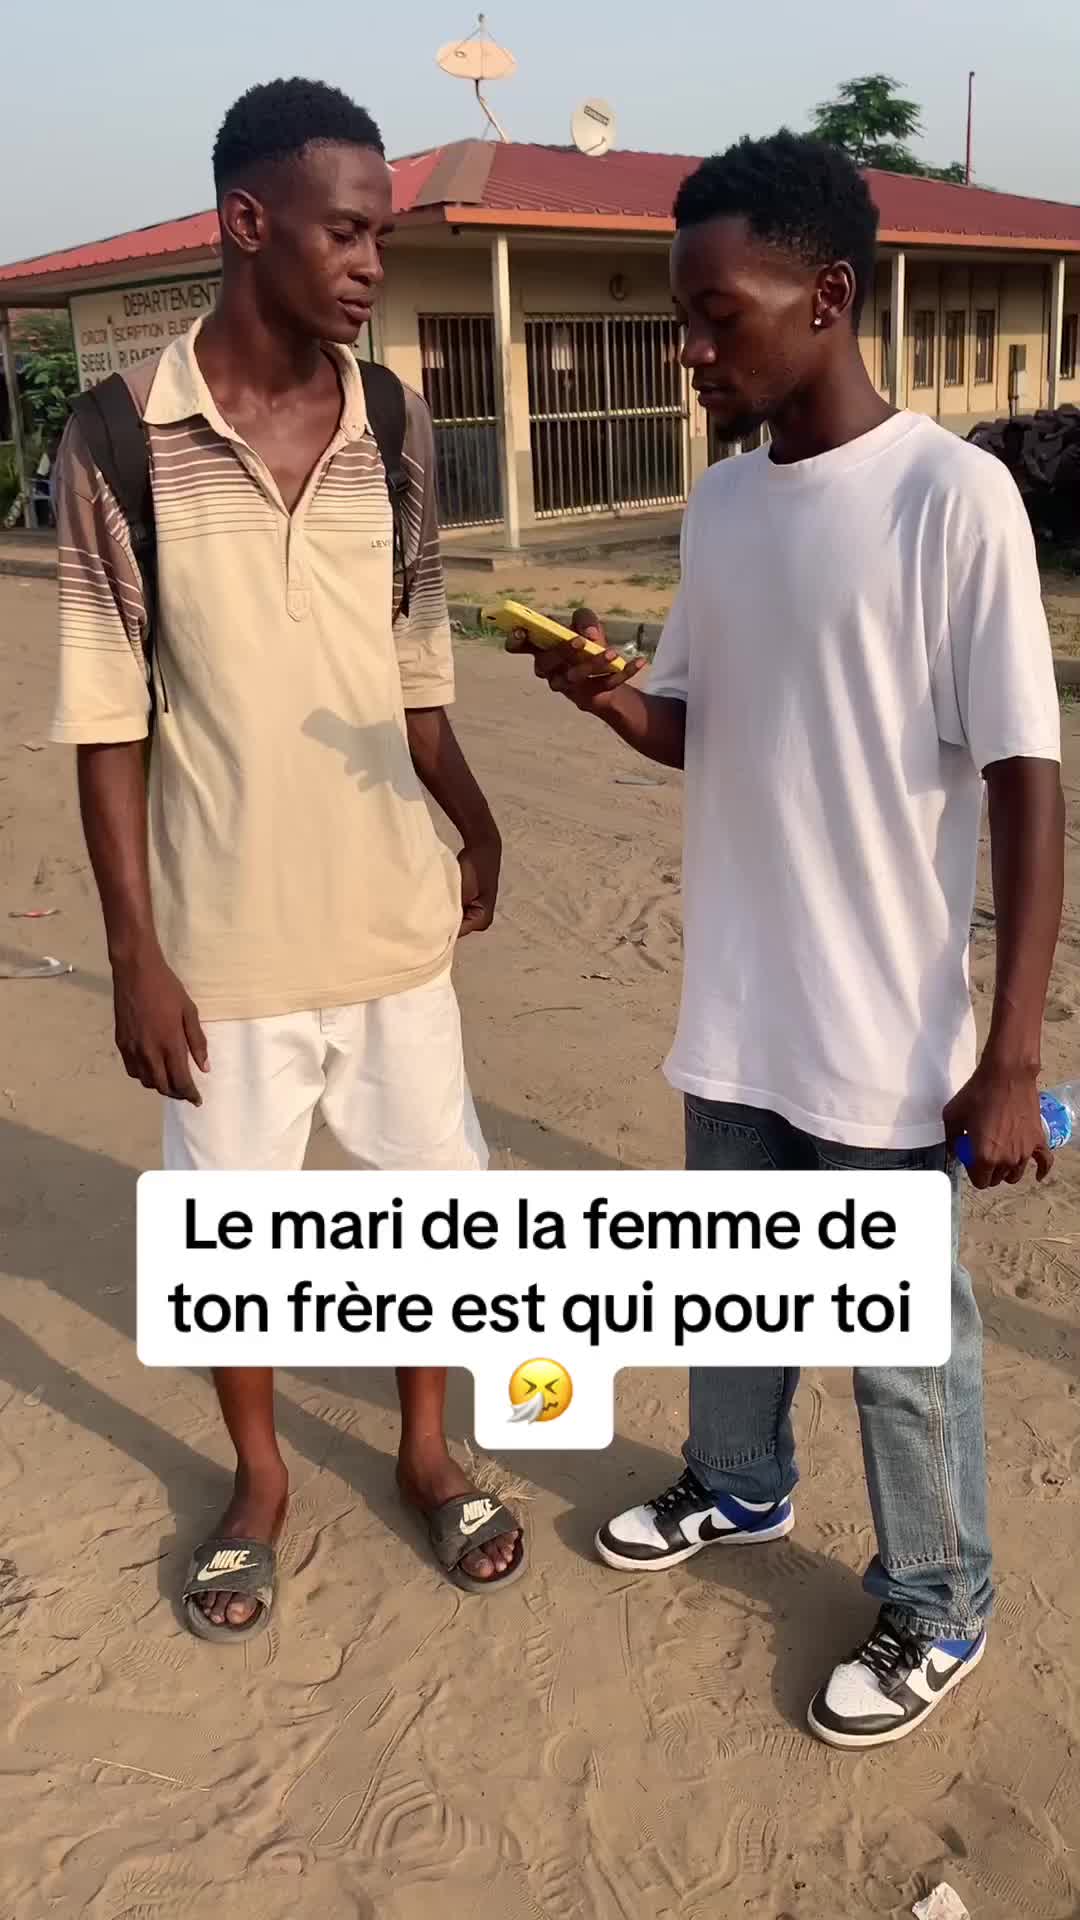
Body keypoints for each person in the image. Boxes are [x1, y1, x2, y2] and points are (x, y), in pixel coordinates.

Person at [509, 131, 1064, 1749]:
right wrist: (605, 693)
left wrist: (1012, 1055)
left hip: (884, 1027)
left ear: (825, 297)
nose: (691, 349)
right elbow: (698, 722)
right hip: (743, 1003)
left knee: (899, 1344)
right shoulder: (726, 504)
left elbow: (1029, 781)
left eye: (715, 316)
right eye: (682, 319)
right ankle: (741, 1482)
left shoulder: (952, 500)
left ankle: (941, 1598)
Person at [50, 78, 522, 1642]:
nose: (373, 262)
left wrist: (472, 814)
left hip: (391, 924)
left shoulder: (396, 421)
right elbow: (106, 716)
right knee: (233, 1240)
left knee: (429, 1217)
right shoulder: (119, 434)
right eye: (347, 231)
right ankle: (257, 1481)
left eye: (380, 234)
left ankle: (426, 1451)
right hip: (224, 949)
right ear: (247, 223)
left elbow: (415, 658)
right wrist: (135, 952)